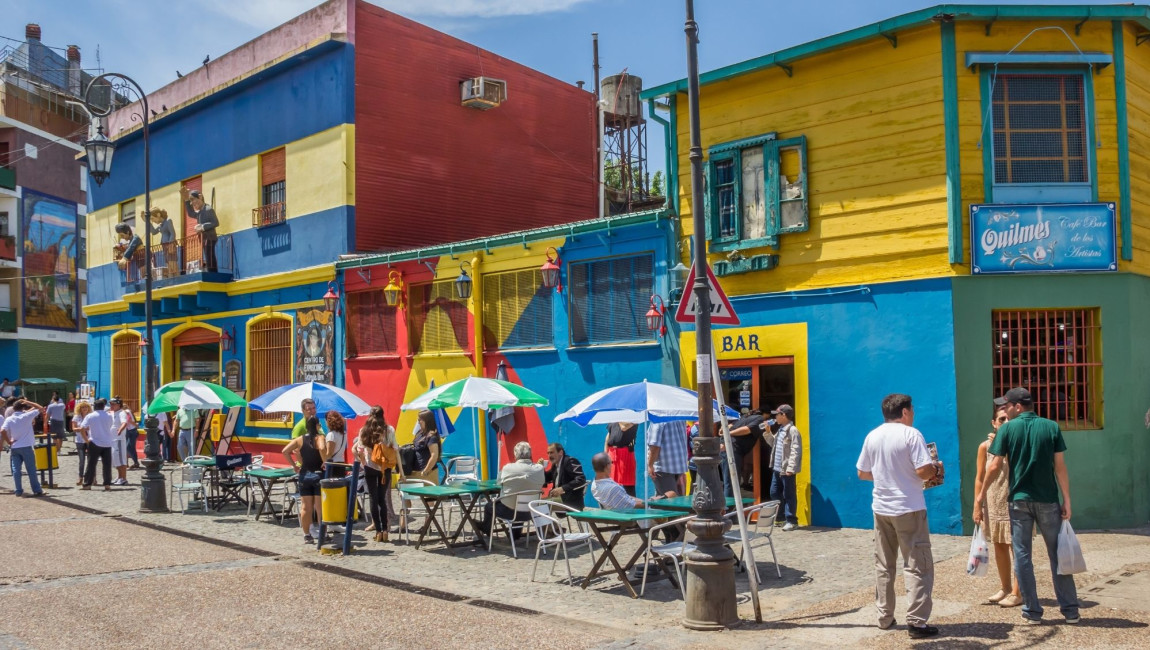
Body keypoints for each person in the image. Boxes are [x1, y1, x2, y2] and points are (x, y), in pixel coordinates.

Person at [976, 387, 1078, 625]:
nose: (1005, 409)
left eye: (1007, 405)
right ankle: (1070, 610)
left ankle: (1033, 611)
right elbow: (1060, 466)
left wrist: (980, 496)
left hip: (1019, 501)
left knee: (1022, 556)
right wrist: (1067, 499)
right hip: (1048, 500)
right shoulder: (1051, 427)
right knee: (1057, 555)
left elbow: (993, 466)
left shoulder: (1008, 429)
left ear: (1018, 406)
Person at [856, 393, 942, 639]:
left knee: (884, 565)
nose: (913, 414)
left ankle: (884, 616)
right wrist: (935, 469)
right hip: (909, 507)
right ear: (904, 412)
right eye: (912, 410)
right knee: (917, 565)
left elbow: (863, 472)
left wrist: (886, 476)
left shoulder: (872, 435)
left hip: (881, 508)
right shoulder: (911, 434)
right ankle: (916, 622)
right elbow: (924, 472)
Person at [972, 400, 1022, 608]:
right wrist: (977, 505)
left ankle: (1019, 592)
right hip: (993, 501)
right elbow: (980, 477)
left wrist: (1004, 446)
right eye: (1001, 419)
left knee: (1017, 547)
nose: (1005, 422)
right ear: (994, 423)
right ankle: (1005, 587)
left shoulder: (1017, 443)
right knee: (999, 545)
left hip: (1013, 499)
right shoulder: (985, 446)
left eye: (1009, 419)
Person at [480, 441, 544, 540]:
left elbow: (499, 482)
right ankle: (514, 534)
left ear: (515, 454)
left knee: (489, 507)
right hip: (531, 511)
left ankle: (486, 528)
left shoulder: (508, 468)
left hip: (509, 512)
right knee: (520, 502)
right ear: (530, 454)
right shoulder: (539, 469)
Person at [353, 406, 398, 541]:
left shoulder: (364, 430)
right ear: (383, 415)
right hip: (385, 468)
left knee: (373, 498)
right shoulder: (389, 430)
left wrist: (363, 463)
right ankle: (385, 530)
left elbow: (359, 450)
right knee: (382, 498)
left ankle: (378, 531)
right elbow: (395, 448)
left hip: (370, 467)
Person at [282, 416, 329, 543]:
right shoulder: (320, 437)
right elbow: (322, 448)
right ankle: (323, 534)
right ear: (318, 426)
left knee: (305, 507)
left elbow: (285, 451)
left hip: (304, 475)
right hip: (318, 475)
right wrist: (325, 461)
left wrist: (294, 465)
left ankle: (307, 535)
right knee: (319, 507)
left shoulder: (300, 439)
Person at [765, 404, 802, 531]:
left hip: (787, 470)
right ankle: (780, 518)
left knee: (789, 494)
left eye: (777, 414)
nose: (775, 417)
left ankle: (791, 520)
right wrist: (768, 432)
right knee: (774, 492)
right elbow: (772, 444)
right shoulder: (780, 430)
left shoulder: (792, 430)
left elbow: (796, 450)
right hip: (777, 468)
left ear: (784, 415)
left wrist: (791, 467)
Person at [1, 399, 46, 497]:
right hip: (26, 446)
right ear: (23, 408)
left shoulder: (9, 419)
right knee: (31, 469)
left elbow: (2, 430)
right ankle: (37, 490)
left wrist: (9, 441)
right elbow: (41, 408)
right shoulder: (26, 416)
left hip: (15, 446)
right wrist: (28, 402)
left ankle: (18, 490)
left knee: (16, 470)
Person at [80, 398, 116, 491]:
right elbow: (110, 426)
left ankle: (87, 483)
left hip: (95, 442)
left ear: (95, 406)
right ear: (103, 407)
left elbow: (82, 428)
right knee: (107, 465)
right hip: (107, 442)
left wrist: (86, 439)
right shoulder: (109, 416)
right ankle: (107, 484)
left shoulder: (90, 416)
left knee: (91, 464)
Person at [727, 409, 766, 495]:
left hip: (729, 448)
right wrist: (728, 434)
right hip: (734, 450)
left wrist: (725, 431)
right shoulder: (760, 418)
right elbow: (747, 429)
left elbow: (729, 425)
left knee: (729, 481)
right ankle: (729, 507)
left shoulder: (744, 417)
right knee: (732, 481)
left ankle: (728, 505)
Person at [539, 442, 587, 510]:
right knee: (538, 504)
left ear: (560, 452)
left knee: (538, 505)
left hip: (571, 501)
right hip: (560, 499)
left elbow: (581, 479)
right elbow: (547, 478)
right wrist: (541, 468)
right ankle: (550, 521)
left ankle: (549, 521)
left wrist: (562, 488)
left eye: (552, 452)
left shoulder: (570, 461)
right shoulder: (555, 465)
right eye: (548, 453)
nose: (549, 456)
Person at [181, 187, 219, 272]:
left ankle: (213, 272)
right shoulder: (200, 212)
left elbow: (215, 222)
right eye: (190, 201)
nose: (192, 203)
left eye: (193, 200)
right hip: (204, 238)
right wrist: (186, 200)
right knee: (208, 255)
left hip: (210, 237)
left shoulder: (208, 209)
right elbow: (191, 213)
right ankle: (211, 271)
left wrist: (202, 227)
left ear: (200, 197)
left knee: (210, 256)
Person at [647, 421, 688, 498]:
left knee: (669, 502)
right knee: (672, 500)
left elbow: (655, 445)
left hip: (663, 466)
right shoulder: (679, 417)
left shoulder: (657, 419)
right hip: (678, 465)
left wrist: (650, 465)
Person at [604, 422, 638, 496]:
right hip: (612, 453)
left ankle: (633, 506)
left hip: (625, 454)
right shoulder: (613, 420)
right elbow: (608, 436)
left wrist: (616, 418)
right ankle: (611, 506)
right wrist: (606, 454)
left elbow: (623, 427)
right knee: (611, 484)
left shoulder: (634, 419)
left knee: (628, 485)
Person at [410, 410, 440, 483]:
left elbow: (434, 455)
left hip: (427, 473)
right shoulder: (419, 433)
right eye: (418, 420)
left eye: (420, 420)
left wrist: (425, 471)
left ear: (427, 421)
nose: (418, 422)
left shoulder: (432, 436)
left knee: (428, 493)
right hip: (416, 471)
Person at [148, 207, 177, 275]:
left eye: (152, 218)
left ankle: (177, 279)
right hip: (164, 246)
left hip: (170, 245)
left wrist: (170, 245)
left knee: (173, 265)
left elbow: (173, 233)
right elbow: (154, 232)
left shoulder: (168, 221)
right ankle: (171, 281)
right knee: (169, 266)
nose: (153, 220)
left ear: (158, 215)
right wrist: (147, 222)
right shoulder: (160, 225)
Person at [71, 400, 92, 485]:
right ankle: (81, 477)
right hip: (80, 440)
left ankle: (92, 477)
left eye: (86, 407)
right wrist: (82, 429)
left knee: (91, 460)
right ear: (80, 408)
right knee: (82, 460)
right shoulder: (76, 417)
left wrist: (85, 429)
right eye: (83, 407)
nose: (84, 409)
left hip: (90, 439)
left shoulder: (90, 417)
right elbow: (74, 428)